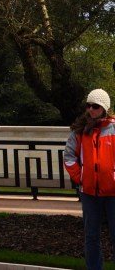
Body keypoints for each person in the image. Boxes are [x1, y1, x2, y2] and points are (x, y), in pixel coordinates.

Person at [64, 88, 115, 270]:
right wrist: (81, 178)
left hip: (113, 194)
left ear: (104, 108)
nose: (91, 109)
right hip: (89, 193)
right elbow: (68, 157)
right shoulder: (79, 132)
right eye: (89, 105)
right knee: (91, 237)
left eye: (95, 106)